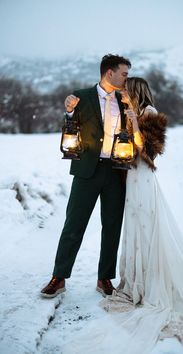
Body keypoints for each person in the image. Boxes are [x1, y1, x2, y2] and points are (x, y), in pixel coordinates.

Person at [95, 77, 183, 351]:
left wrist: (134, 121)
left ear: (136, 92)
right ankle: (136, 280)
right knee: (135, 227)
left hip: (144, 179)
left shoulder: (148, 114)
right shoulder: (130, 112)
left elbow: (147, 150)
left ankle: (151, 284)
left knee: (147, 227)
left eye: (127, 91)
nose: (123, 94)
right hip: (132, 179)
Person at [41, 54, 131, 298]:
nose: (127, 78)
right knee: (74, 224)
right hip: (86, 171)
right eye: (124, 73)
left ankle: (105, 279)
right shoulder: (80, 96)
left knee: (112, 226)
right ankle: (58, 277)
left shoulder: (126, 100)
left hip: (116, 172)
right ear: (109, 72)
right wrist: (69, 112)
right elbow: (70, 126)